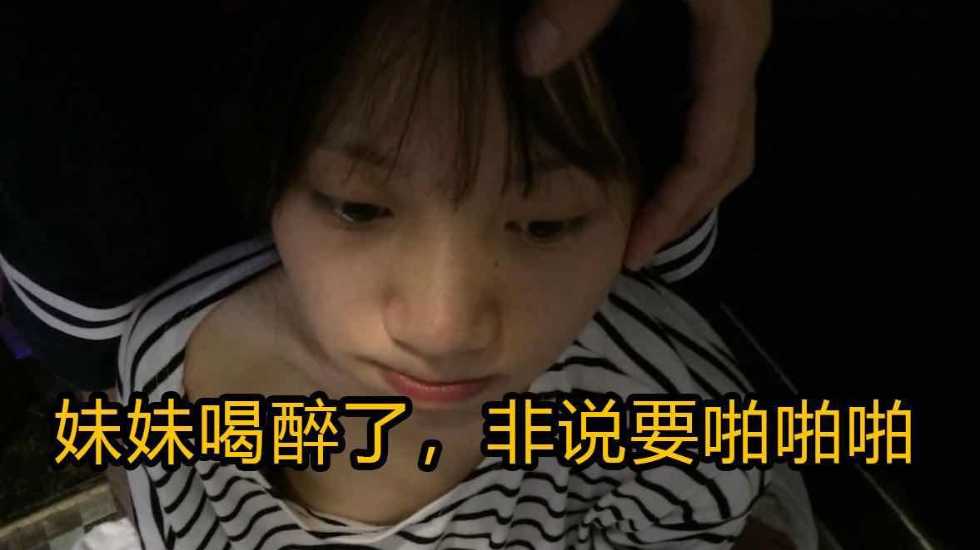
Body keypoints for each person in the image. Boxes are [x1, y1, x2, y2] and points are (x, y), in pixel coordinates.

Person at [93, 2, 813, 549]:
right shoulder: (169, 374)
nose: (443, 330)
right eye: (359, 207)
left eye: (545, 224)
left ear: (656, 200)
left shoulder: (686, 429)